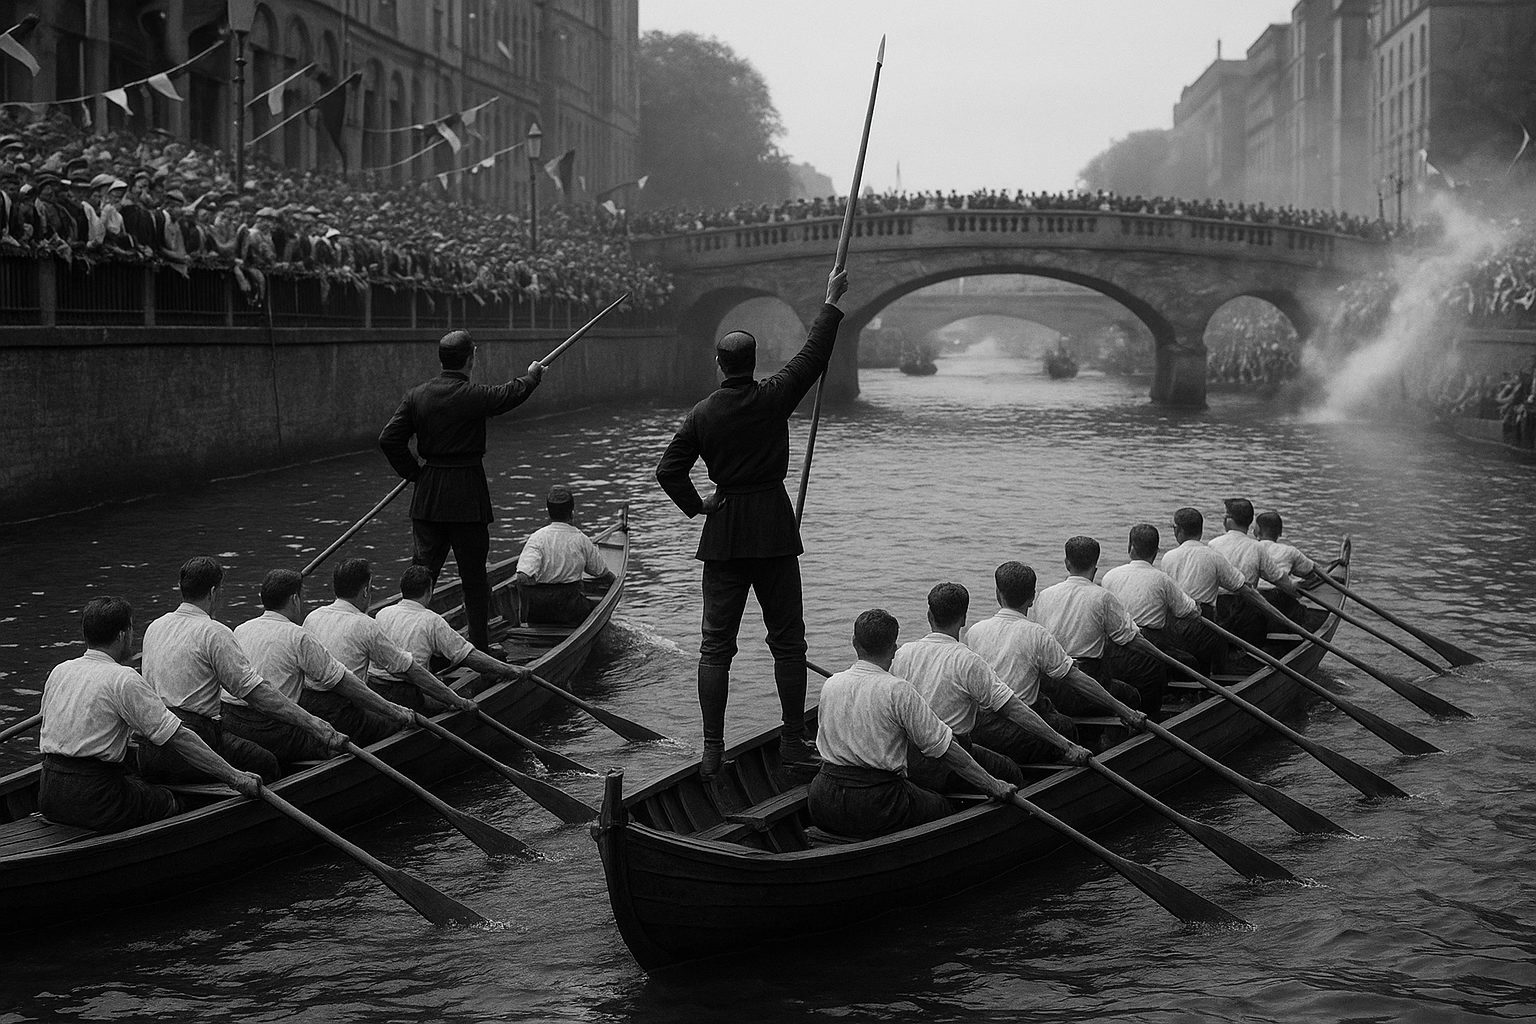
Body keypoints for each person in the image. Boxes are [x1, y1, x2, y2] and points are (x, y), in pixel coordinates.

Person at [655, 267, 849, 776]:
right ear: (753, 362)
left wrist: (700, 507)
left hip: (724, 529)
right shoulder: (772, 397)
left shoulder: (701, 414)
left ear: (719, 364)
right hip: (773, 525)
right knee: (788, 642)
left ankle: (713, 751)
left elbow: (667, 470)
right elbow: (813, 357)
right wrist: (829, 302)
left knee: (715, 646)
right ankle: (791, 741)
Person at [379, 328, 547, 651]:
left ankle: (403, 647)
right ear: (471, 358)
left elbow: (388, 439)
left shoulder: (417, 395)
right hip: (467, 494)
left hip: (429, 495)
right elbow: (507, 395)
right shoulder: (469, 395)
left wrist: (415, 472)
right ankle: (480, 650)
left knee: (421, 577)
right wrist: (532, 378)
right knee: (474, 580)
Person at [38, 597, 262, 833]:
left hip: (48, 792)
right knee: (169, 800)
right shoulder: (123, 678)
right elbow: (179, 738)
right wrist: (235, 778)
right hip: (96, 798)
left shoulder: (59, 672)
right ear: (123, 634)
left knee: (135, 781)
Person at [808, 609, 1025, 841]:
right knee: (944, 808)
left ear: (854, 643)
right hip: (878, 803)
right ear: (893, 648)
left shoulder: (831, 685)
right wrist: (993, 786)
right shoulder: (898, 690)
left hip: (822, 799)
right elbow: (945, 750)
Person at [139, 557, 343, 784]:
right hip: (195, 740)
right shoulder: (214, 632)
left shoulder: (154, 627)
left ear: (181, 589)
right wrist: (314, 724)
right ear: (214, 592)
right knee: (265, 762)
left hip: (151, 747)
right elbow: (256, 694)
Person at [891, 583, 1087, 791]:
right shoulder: (966, 659)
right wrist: (1066, 745)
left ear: (929, 616)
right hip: (950, 757)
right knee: (1011, 771)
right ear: (963, 619)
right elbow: (1013, 709)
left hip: (910, 756)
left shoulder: (903, 653)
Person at [228, 569, 415, 762]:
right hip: (272, 728)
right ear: (294, 599)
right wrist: (394, 711)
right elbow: (342, 681)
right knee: (343, 745)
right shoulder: (297, 635)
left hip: (232, 721)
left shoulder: (240, 629)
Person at [303, 558, 478, 720]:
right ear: (365, 591)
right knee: (400, 721)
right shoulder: (366, 624)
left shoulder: (312, 616)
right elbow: (408, 670)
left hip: (308, 705)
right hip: (344, 711)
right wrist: (457, 700)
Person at [372, 565, 532, 710]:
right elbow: (469, 657)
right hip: (408, 694)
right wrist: (509, 670)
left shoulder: (381, 613)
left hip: (374, 688)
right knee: (478, 680)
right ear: (429, 591)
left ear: (402, 590)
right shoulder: (431, 620)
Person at [1030, 537, 1157, 715]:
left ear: (1067, 564)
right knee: (1132, 695)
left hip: (1050, 686)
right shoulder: (1103, 597)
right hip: (1086, 685)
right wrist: (1159, 654)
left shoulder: (1044, 595)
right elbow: (1129, 638)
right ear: (1095, 568)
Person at [1101, 523, 1206, 686]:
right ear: (1156, 552)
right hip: (1148, 646)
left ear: (1130, 547)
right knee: (1192, 663)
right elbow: (1189, 611)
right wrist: (1196, 606)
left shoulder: (1109, 576)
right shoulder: (1162, 579)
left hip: (1114, 647)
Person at [509, 484, 615, 625]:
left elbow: (522, 576)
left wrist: (536, 585)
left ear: (548, 512)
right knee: (593, 610)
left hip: (539, 614)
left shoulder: (537, 538)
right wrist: (615, 582)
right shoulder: (580, 539)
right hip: (571, 612)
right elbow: (600, 571)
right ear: (571, 512)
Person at [1159, 507, 1246, 674]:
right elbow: (1240, 586)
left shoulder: (1167, 557)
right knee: (1222, 641)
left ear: (1179, 531)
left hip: (1174, 624)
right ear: (1200, 530)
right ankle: (1217, 676)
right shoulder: (1213, 556)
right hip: (1201, 624)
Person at [1207, 498, 1287, 646]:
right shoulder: (1256, 547)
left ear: (1230, 520)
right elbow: (1279, 579)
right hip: (1247, 611)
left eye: (1225, 516)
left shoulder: (1212, 544)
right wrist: (1296, 592)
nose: (1223, 519)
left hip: (1219, 609)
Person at [1254, 511, 1316, 621]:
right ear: (1280, 532)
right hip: (1278, 601)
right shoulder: (1290, 551)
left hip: (1250, 600)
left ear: (1257, 530)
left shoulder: (1248, 548)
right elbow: (1313, 573)